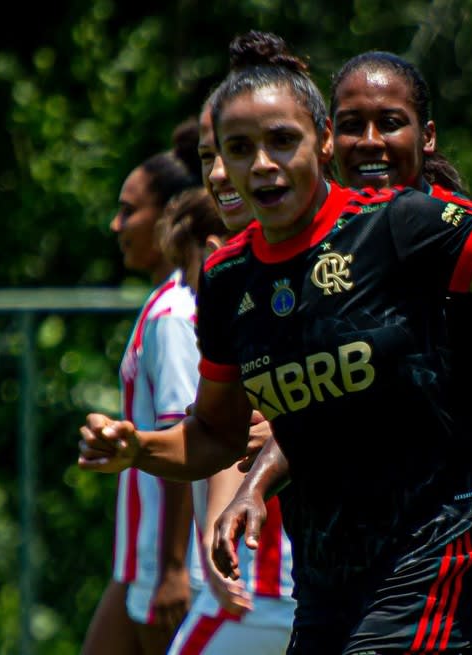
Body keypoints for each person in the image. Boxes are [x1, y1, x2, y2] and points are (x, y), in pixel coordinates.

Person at [77, 29, 472, 654]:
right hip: (327, 576)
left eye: (282, 141)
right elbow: (223, 433)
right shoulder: (229, 278)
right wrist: (137, 446)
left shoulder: (407, 227)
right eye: (237, 148)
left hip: (442, 551)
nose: (261, 164)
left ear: (319, 142)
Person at [163, 100, 297, 655]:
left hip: (274, 584)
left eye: (234, 150)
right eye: (208, 156)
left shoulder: (324, 259)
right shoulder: (235, 279)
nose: (220, 173)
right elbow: (224, 428)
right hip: (275, 579)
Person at [80, 148, 201, 655]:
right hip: (138, 560)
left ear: (169, 215)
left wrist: (174, 568)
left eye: (130, 210)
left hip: (165, 566)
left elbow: (185, 440)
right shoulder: (162, 302)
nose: (117, 224)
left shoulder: (173, 314)